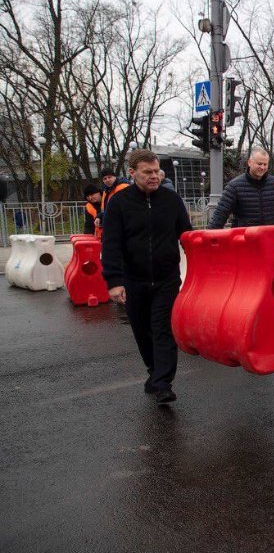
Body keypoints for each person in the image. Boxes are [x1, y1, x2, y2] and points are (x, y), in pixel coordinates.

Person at [101, 149, 193, 405]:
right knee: (142, 331)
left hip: (167, 279)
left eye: (157, 172)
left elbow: (186, 235)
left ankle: (164, 382)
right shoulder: (119, 204)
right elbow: (111, 244)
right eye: (148, 172)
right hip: (134, 280)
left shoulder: (172, 200)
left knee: (163, 329)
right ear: (132, 173)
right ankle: (154, 372)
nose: (154, 177)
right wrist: (114, 281)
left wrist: (202, 265)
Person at [207, 148, 274, 229]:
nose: (262, 167)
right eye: (259, 164)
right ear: (249, 162)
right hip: (243, 240)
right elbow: (220, 215)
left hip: (268, 238)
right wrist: (208, 239)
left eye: (265, 164)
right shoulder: (234, 186)